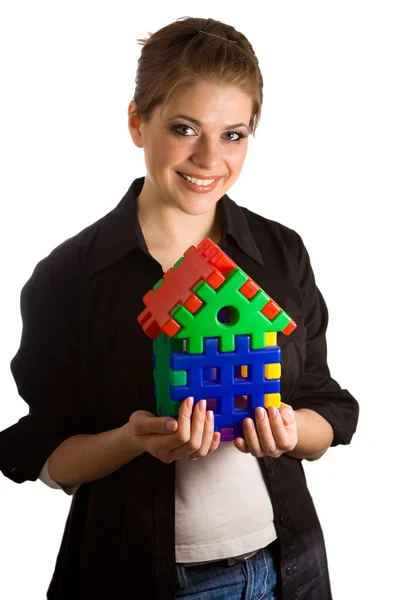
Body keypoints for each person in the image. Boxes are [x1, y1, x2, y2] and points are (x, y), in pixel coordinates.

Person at [0, 16, 359, 600]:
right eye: (186, 128)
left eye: (234, 134)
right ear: (138, 123)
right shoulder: (70, 277)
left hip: (288, 569)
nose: (210, 158)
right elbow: (46, 454)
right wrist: (131, 439)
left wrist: (291, 430)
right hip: (140, 577)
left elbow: (326, 406)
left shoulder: (280, 252)